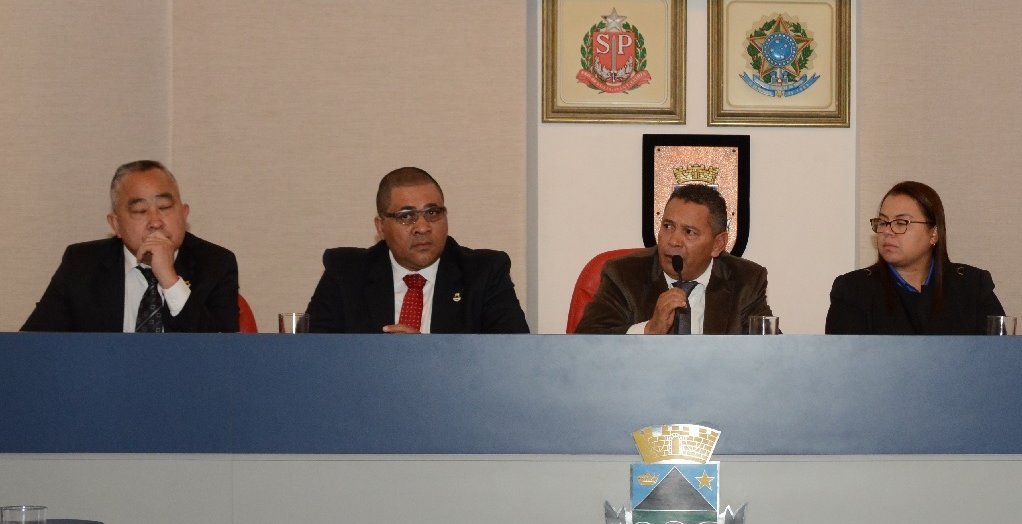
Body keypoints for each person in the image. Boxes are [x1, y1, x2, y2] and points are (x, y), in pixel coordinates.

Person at [22, 160, 239, 332]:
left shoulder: (216, 264)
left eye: (164, 207)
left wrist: (169, 279)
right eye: (140, 211)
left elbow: (222, 354)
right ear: (116, 225)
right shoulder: (81, 264)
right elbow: (33, 346)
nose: (155, 222)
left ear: (184, 214)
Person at [305, 167, 529, 333]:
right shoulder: (345, 273)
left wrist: (422, 354)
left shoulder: (484, 273)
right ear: (381, 227)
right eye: (406, 216)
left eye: (432, 213)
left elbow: (511, 358)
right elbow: (311, 354)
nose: (422, 227)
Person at [574, 183, 771, 334]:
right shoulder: (623, 274)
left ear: (717, 244)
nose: (673, 241)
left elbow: (769, 354)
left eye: (689, 232)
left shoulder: (747, 280)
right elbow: (586, 342)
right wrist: (649, 330)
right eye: (668, 226)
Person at [825, 181, 1005, 335]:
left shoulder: (972, 286)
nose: (887, 231)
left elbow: (1001, 354)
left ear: (934, 233)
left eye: (901, 223)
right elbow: (847, 361)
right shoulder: (853, 290)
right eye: (883, 222)